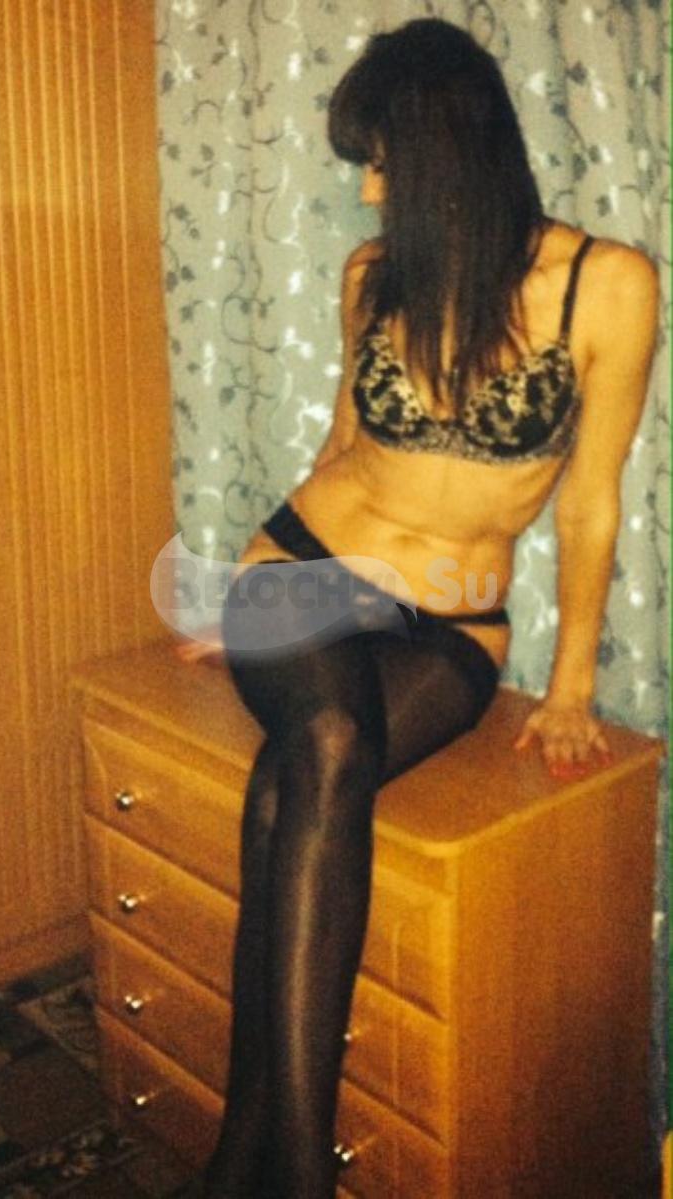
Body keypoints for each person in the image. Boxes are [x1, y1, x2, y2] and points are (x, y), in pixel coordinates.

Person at [176, 18, 659, 1199]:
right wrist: (249, 599)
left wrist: (573, 684)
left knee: (294, 783)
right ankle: (298, 1174)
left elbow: (590, 502)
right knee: (330, 738)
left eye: (383, 162)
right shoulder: (372, 277)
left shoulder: (606, 285)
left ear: (448, 155)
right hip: (303, 567)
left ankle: (244, 1159)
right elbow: (339, 445)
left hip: (452, 620)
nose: (369, 189)